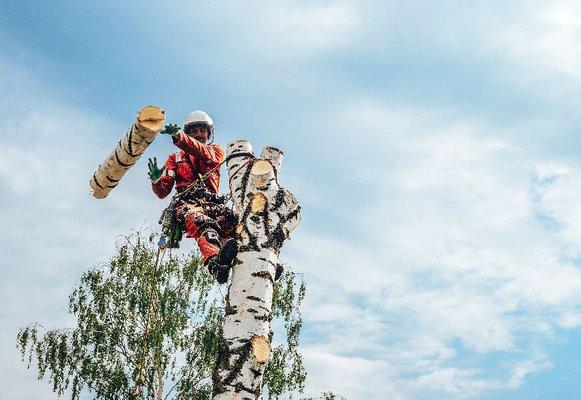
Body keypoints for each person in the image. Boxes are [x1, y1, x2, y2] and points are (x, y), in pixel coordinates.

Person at [147, 110, 237, 283]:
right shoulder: (175, 158)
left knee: (235, 224)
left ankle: (259, 259)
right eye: (194, 131)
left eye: (202, 130)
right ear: (188, 133)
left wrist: (180, 138)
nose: (199, 134)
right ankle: (215, 264)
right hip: (187, 204)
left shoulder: (215, 151)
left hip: (212, 203)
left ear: (209, 133)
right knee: (202, 223)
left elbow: (203, 153)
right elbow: (163, 192)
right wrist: (157, 180)